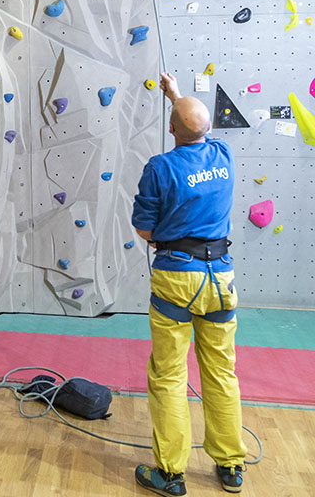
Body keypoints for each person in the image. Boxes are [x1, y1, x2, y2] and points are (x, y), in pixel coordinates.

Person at [132, 72, 246, 497]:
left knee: (168, 375)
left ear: (170, 129)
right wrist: (177, 95)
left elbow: (144, 229)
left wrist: (166, 232)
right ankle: (230, 465)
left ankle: (172, 473)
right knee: (221, 373)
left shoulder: (160, 167)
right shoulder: (224, 155)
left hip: (178, 278)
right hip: (222, 279)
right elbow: (197, 127)